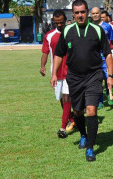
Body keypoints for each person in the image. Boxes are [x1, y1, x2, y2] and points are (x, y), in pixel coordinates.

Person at [51, 0, 113, 162]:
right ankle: (83, 135)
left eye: (83, 12)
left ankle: (91, 148)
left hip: (93, 75)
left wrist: (110, 75)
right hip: (74, 77)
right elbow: (59, 54)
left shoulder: (97, 30)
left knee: (92, 110)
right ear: (73, 14)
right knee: (78, 111)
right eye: (77, 12)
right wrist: (54, 74)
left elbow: (107, 53)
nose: (80, 15)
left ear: (87, 12)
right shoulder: (67, 31)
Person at [40, 10, 75, 138]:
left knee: (67, 97)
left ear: (66, 20)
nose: (59, 25)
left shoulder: (72, 32)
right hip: (55, 72)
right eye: (56, 23)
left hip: (70, 71)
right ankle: (72, 119)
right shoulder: (49, 35)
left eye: (61, 22)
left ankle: (62, 128)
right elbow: (45, 52)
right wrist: (42, 66)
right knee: (61, 99)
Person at [91, 7, 113, 108]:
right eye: (93, 13)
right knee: (97, 80)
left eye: (97, 13)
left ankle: (108, 93)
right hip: (94, 58)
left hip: (106, 57)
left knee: (107, 77)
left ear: (100, 14)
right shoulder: (89, 27)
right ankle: (99, 101)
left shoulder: (108, 26)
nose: (95, 15)